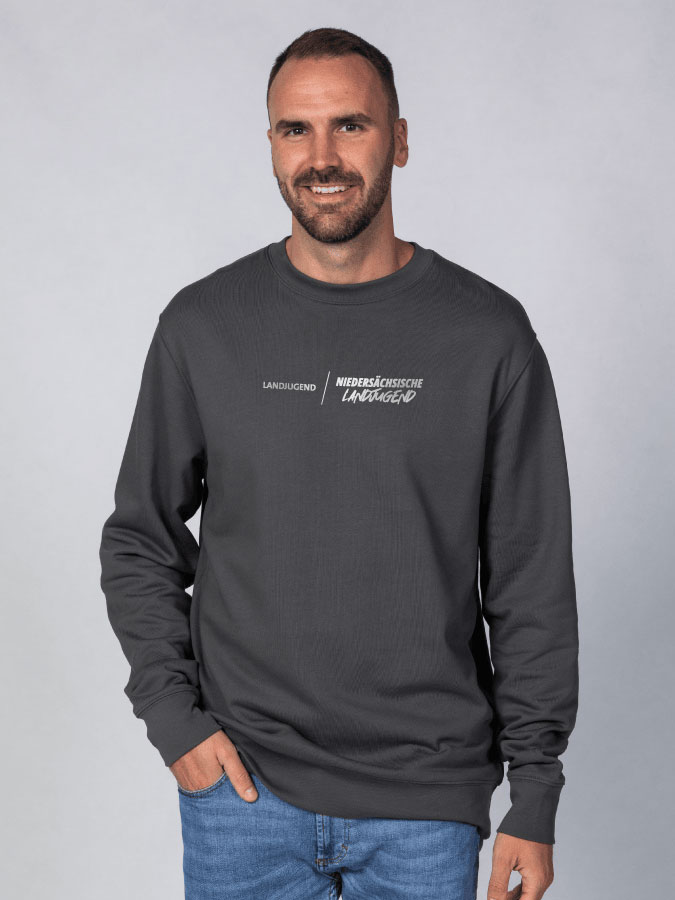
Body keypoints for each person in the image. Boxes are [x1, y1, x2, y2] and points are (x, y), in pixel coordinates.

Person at [99, 26, 579, 900]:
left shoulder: (487, 335)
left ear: (399, 139)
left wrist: (534, 794)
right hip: (242, 793)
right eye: (296, 129)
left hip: (426, 802)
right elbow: (140, 539)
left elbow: (528, 578)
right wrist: (175, 723)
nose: (322, 157)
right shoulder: (203, 326)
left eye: (350, 126)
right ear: (271, 145)